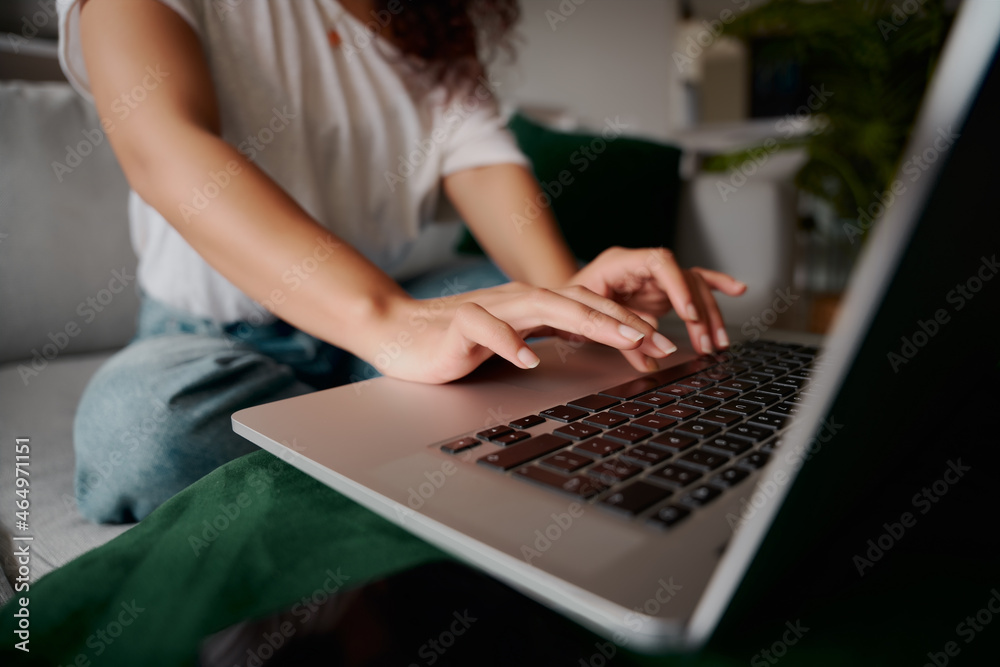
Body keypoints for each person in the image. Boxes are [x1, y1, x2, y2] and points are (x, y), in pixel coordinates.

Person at [58, 0, 746, 523]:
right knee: (145, 433)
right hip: (218, 331)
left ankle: (365, 450)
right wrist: (386, 321)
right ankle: (404, 469)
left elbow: (480, 160)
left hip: (405, 305)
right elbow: (163, 141)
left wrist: (570, 295)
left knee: (556, 360)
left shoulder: (430, 19)